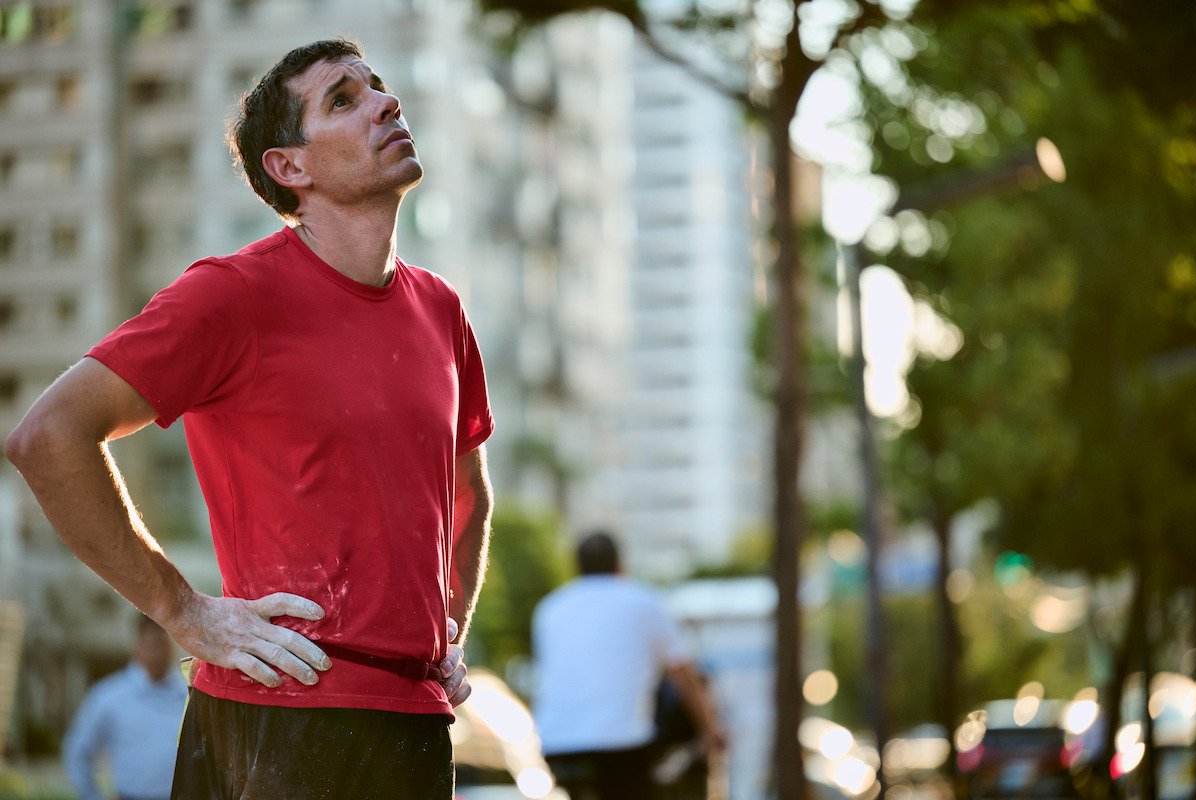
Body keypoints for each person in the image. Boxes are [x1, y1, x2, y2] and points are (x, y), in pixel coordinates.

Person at [5, 38, 494, 799]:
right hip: (277, 724)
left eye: (378, 87)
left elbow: (469, 494)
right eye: (343, 99)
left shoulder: (442, 310)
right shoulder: (231, 297)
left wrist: (448, 630)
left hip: (415, 726)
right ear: (289, 168)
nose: (385, 103)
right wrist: (182, 611)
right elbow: (47, 438)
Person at [531, 531, 726, 800]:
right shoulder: (645, 601)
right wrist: (710, 730)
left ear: (577, 566)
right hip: (623, 745)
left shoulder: (549, 609)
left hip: (557, 744)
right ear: (619, 564)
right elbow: (684, 673)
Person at [62, 615, 188, 800]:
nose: (158, 651)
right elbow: (77, 752)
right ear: (136, 645)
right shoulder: (108, 696)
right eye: (152, 643)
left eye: (163, 643)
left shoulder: (188, 694)